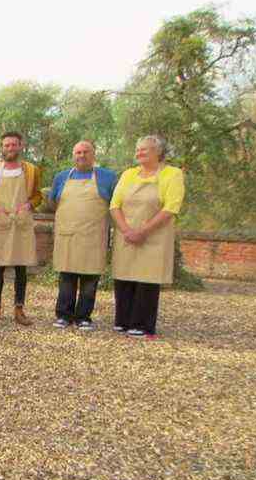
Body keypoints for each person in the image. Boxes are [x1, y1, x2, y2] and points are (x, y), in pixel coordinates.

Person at [109, 135, 186, 339]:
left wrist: (143, 231)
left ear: (158, 152)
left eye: (144, 149)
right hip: (126, 233)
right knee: (124, 276)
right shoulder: (128, 174)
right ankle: (123, 321)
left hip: (155, 236)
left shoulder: (173, 174)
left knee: (147, 278)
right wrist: (126, 230)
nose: (139, 153)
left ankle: (142, 324)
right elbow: (114, 205)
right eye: (138, 149)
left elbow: (171, 207)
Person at [49, 140, 118, 330]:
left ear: (94, 154)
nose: (81, 155)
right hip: (68, 235)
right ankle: (63, 315)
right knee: (67, 277)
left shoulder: (107, 177)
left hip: (93, 237)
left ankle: (83, 317)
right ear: (73, 155)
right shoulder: (61, 177)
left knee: (89, 279)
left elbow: (116, 205)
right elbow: (53, 203)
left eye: (85, 152)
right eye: (78, 152)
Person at [0, 131, 43, 325]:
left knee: (21, 268)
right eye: (7, 145)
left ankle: (19, 309)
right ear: (2, 147)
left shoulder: (31, 170)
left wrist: (29, 205)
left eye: (14, 145)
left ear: (21, 146)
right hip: (1, 223)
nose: (10, 148)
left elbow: (38, 195)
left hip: (22, 223)